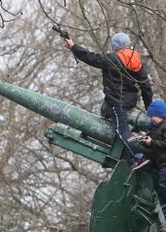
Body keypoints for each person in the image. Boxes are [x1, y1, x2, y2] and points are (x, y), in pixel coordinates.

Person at [63, 32, 153, 169]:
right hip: (129, 101)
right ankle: (134, 138)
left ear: (115, 47)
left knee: (121, 130)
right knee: (107, 112)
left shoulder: (113, 59)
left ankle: (138, 157)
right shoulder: (137, 61)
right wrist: (149, 107)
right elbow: (146, 86)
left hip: (117, 102)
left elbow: (91, 58)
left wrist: (73, 46)